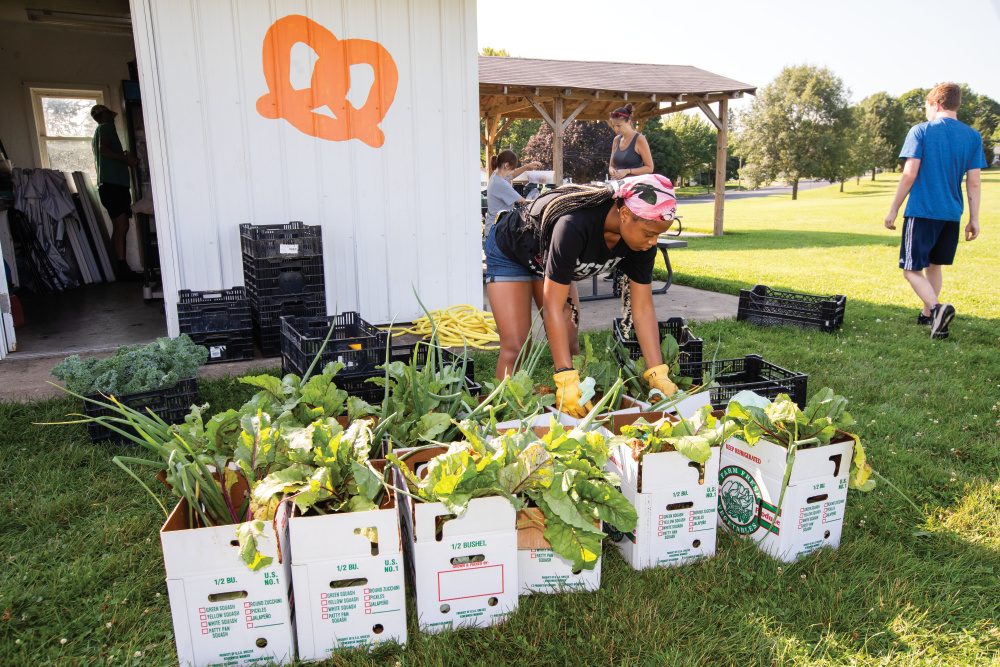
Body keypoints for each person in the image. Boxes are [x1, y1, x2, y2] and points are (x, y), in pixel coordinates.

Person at [485, 174, 679, 416]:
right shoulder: (574, 225)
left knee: (569, 341)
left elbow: (642, 309)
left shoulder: (642, 243)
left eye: (658, 235)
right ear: (625, 214)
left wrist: (657, 373)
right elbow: (552, 307)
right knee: (517, 345)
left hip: (551, 260)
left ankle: (576, 409)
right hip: (513, 251)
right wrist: (563, 377)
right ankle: (503, 418)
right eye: (649, 233)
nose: (653, 242)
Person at [884, 83, 986, 340]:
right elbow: (973, 182)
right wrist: (974, 218)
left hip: (922, 211)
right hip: (952, 214)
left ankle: (938, 308)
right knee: (934, 266)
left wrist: (894, 209)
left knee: (911, 269)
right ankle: (929, 315)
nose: (926, 113)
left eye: (927, 107)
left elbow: (909, 175)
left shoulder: (920, 131)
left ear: (936, 104)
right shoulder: (973, 136)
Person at [90, 104, 141, 280]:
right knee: (122, 226)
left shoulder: (98, 132)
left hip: (109, 186)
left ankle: (120, 268)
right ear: (104, 115)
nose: (113, 118)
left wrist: (123, 158)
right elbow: (104, 150)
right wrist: (126, 159)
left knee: (118, 227)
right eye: (110, 115)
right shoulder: (106, 128)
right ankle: (122, 270)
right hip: (114, 186)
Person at [484, 150, 541, 238]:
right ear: (506, 165)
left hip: (492, 228)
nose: (514, 170)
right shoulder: (501, 184)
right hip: (497, 232)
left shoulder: (496, 176)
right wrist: (542, 201)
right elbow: (523, 201)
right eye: (513, 167)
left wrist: (527, 166)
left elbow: (512, 175)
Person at [608, 104, 654, 179]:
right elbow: (611, 166)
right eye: (614, 126)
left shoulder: (639, 139)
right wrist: (613, 171)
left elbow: (649, 168)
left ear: (628, 122)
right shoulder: (616, 140)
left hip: (634, 186)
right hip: (617, 185)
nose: (616, 129)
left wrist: (627, 171)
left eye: (619, 126)